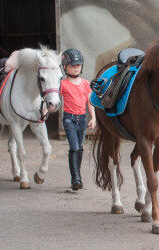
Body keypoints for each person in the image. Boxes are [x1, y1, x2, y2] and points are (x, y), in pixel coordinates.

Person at [60, 49, 96, 190]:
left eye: (78, 66)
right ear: (65, 66)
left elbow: (90, 102)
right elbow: (55, 100)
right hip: (69, 119)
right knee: (74, 147)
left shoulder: (86, 83)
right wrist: (43, 112)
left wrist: (93, 118)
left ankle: (77, 176)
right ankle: (75, 178)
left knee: (80, 148)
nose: (76, 68)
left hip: (82, 119)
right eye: (72, 66)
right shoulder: (63, 84)